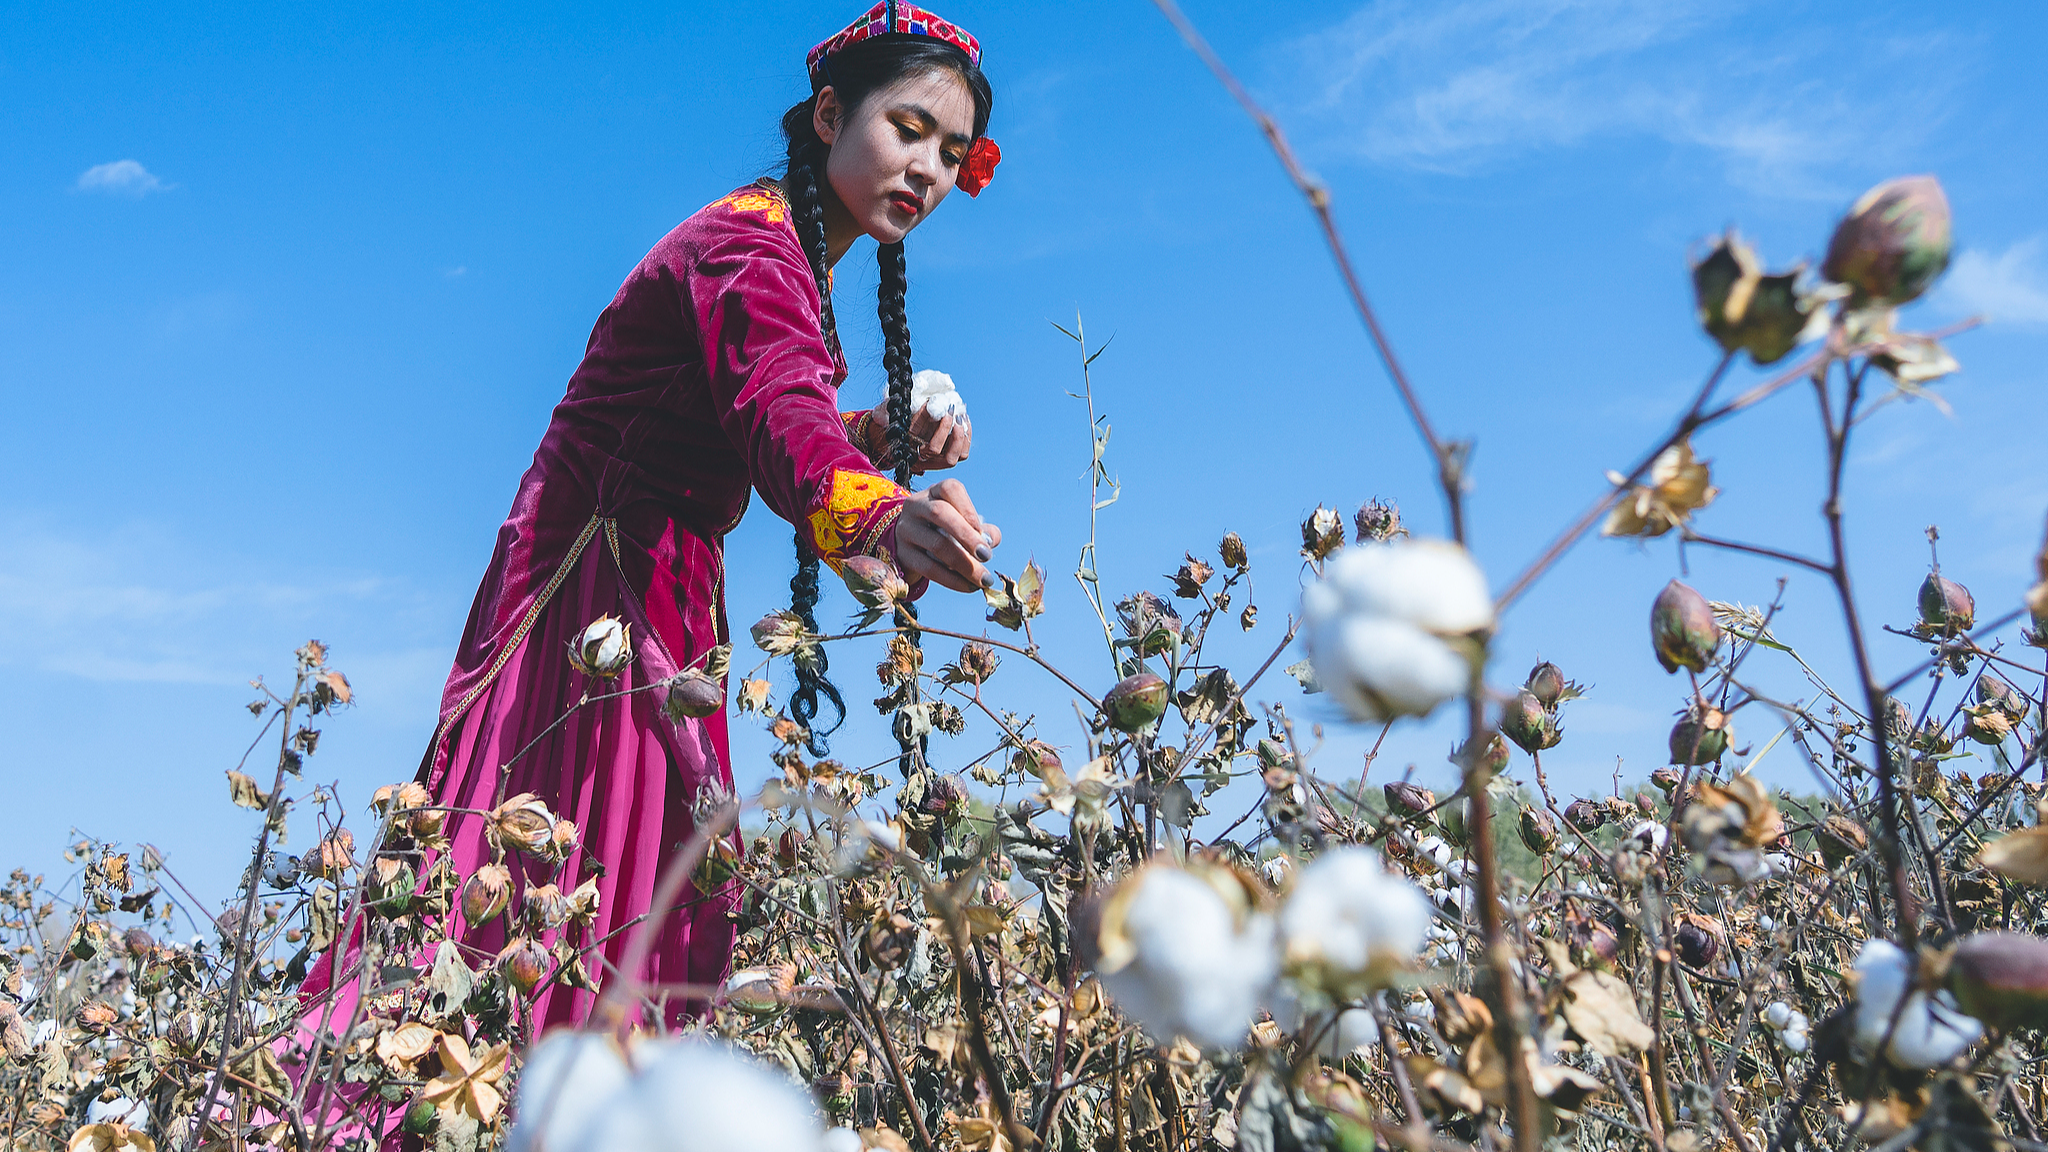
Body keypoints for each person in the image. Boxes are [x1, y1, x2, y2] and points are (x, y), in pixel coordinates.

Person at [293, 0, 1003, 1073]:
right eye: (906, 128)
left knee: (623, 886)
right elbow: (777, 418)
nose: (929, 169)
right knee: (558, 882)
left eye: (951, 152)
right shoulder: (749, 252)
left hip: (654, 580)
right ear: (827, 115)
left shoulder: (776, 248)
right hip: (594, 584)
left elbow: (761, 416)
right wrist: (883, 511)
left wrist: (880, 437)